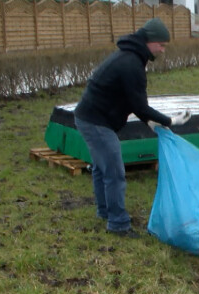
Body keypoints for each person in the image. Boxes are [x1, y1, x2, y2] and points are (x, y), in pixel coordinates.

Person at [74, 18, 190, 238]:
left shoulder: (130, 57)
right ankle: (118, 224)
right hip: (96, 121)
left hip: (90, 117)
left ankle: (105, 212)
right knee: (115, 172)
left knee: (102, 168)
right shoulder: (131, 64)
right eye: (161, 45)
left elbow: (130, 102)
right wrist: (169, 121)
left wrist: (152, 124)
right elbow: (139, 105)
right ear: (150, 41)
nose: (163, 50)